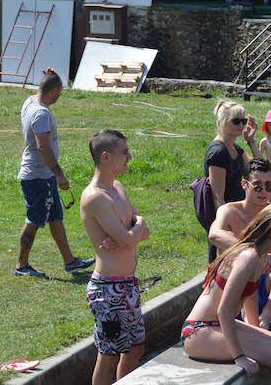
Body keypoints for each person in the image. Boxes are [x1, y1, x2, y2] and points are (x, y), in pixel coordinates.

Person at [182, 205, 271, 378]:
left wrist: (259, 334)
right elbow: (224, 310)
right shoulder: (248, 257)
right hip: (198, 331)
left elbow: (249, 297)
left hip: (217, 326)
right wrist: (239, 356)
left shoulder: (258, 255)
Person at [80, 130, 149, 385]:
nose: (129, 157)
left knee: (136, 349)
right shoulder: (95, 197)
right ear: (106, 156)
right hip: (108, 291)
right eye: (125, 152)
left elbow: (142, 232)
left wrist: (134, 227)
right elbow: (132, 238)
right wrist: (133, 230)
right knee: (108, 355)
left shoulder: (118, 188)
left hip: (128, 284)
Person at [208, 159, 271, 329]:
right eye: (257, 186)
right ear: (244, 184)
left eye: (268, 186)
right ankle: (244, 313)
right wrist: (257, 254)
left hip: (269, 285)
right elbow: (214, 234)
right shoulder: (230, 211)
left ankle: (268, 310)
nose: (263, 191)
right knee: (238, 255)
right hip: (237, 283)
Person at [14, 68, 93, 277]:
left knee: (56, 217)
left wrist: (52, 75)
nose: (60, 95)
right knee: (34, 219)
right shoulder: (40, 113)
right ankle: (21, 266)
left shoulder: (30, 101)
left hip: (43, 175)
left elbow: (46, 84)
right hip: (38, 176)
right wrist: (58, 174)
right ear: (53, 91)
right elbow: (43, 148)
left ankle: (70, 262)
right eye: (60, 91)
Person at [204, 100, 260, 261]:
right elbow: (218, 197)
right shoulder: (218, 152)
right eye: (236, 121)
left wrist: (251, 141)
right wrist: (224, 227)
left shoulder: (235, 148)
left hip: (239, 216)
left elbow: (260, 168)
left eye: (243, 121)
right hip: (228, 221)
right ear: (222, 122)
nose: (241, 125)